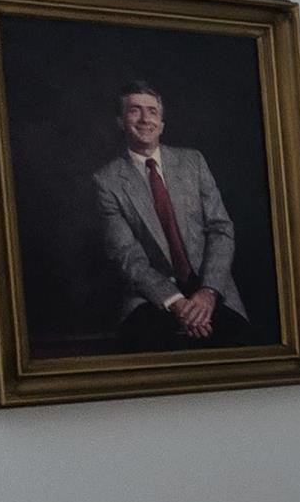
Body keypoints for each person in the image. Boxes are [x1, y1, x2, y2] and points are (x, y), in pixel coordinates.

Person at [91, 81, 250, 350]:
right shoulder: (106, 181)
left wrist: (208, 292)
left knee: (241, 342)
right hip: (151, 295)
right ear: (120, 121)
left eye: (152, 111)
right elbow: (127, 256)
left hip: (211, 287)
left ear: (161, 123)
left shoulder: (193, 162)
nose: (145, 119)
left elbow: (220, 229)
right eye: (134, 111)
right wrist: (177, 304)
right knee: (151, 346)